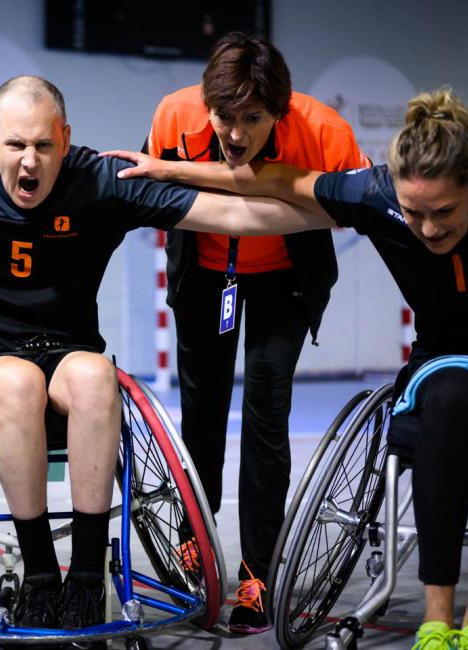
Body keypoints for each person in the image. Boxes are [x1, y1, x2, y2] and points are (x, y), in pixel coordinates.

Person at [0, 74, 327, 641]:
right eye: (15, 145)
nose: (29, 161)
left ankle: (87, 575)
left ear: (65, 139)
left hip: (67, 354)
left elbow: (235, 216)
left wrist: (349, 211)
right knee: (18, 385)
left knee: (97, 376)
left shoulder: (100, 181)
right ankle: (42, 575)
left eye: (43, 145)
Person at [107, 88, 468, 650]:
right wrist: (167, 168)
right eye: (415, 214)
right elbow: (275, 180)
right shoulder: (375, 194)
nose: (430, 229)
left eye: (444, 212)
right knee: (453, 402)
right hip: (445, 354)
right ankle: (438, 619)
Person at [115, 31, 367, 633]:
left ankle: (258, 571)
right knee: (201, 411)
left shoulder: (326, 131)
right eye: (225, 116)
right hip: (206, 276)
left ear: (279, 111)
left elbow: (364, 205)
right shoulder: (173, 113)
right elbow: (147, 191)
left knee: (265, 411)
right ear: (206, 107)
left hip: (286, 279)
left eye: (252, 118)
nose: (234, 133)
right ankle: (194, 545)